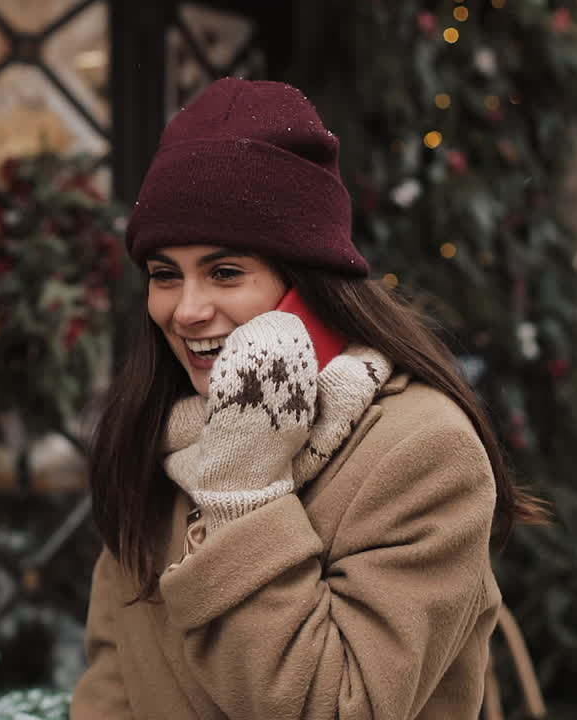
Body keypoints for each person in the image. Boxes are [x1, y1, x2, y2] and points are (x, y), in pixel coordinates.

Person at [70, 77, 546, 720]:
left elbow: (334, 707)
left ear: (306, 287)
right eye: (164, 276)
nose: (186, 310)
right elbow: (113, 677)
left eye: (226, 272)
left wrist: (243, 491)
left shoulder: (424, 451)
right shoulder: (160, 431)